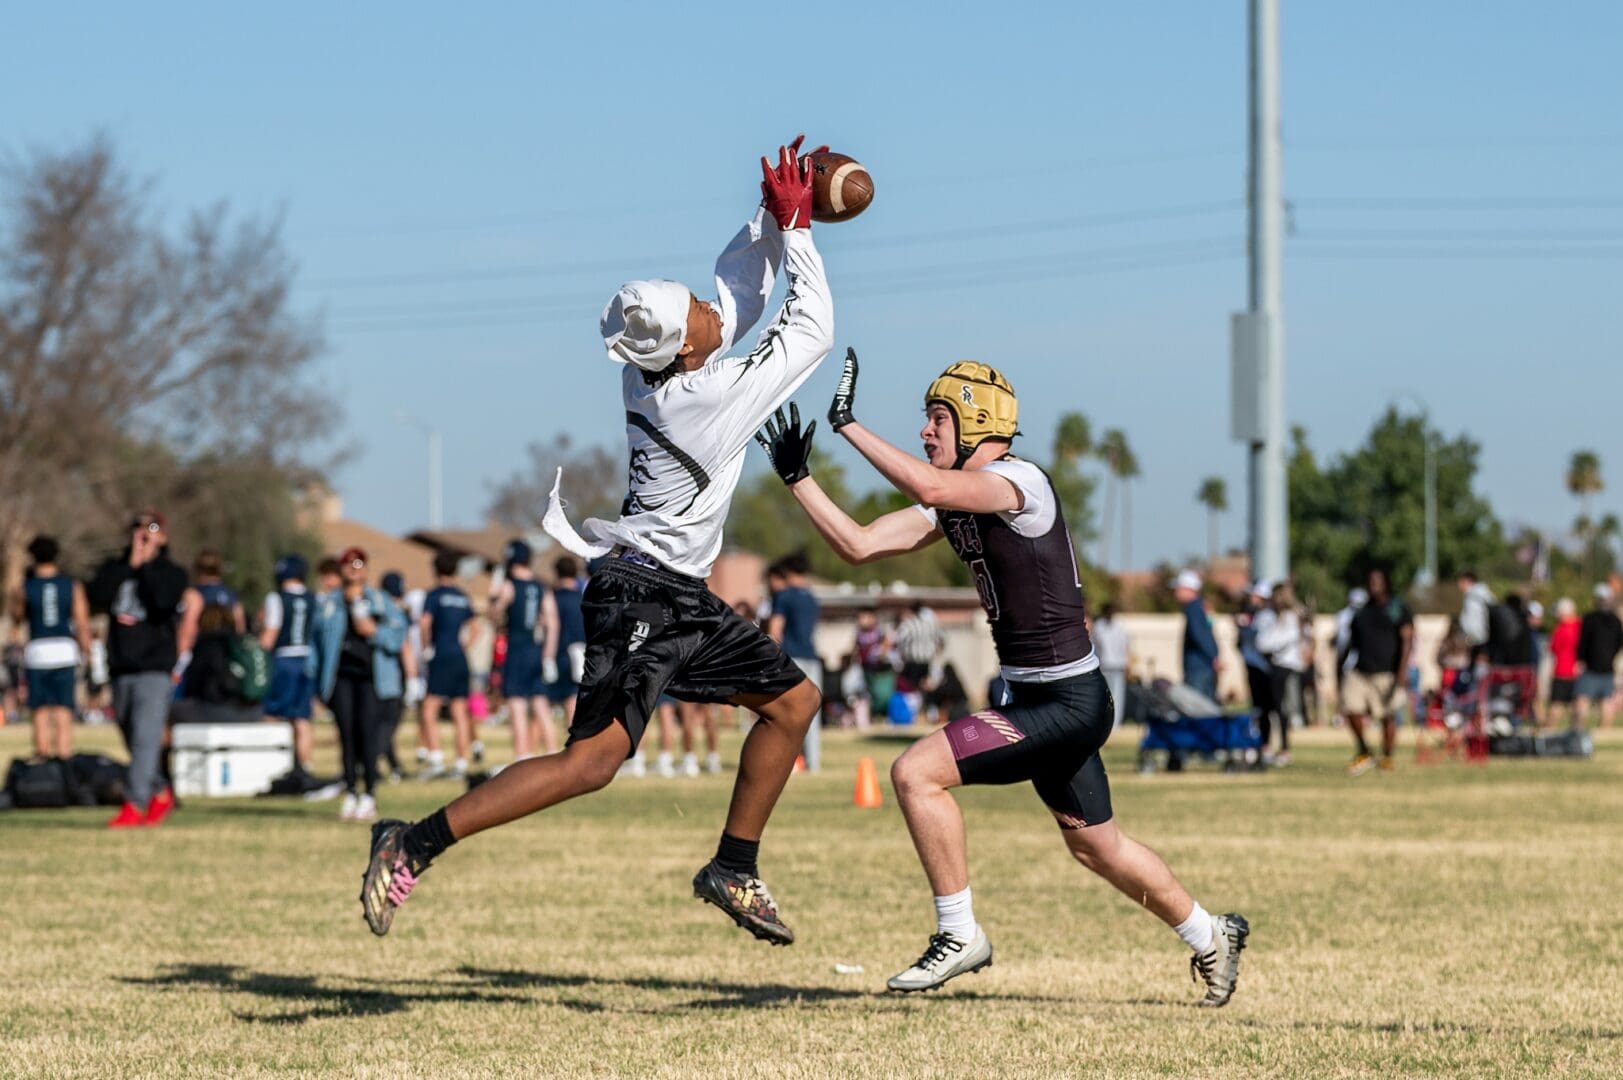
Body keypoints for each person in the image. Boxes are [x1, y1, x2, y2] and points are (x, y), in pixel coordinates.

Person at [359, 139, 832, 947]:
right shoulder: (706, 395)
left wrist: (770, 210)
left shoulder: (660, 371)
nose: (713, 309)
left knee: (794, 704)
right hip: (641, 594)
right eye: (699, 312)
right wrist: (800, 232)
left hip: (675, 590)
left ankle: (733, 867)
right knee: (589, 765)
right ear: (688, 347)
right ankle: (413, 840)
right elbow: (808, 331)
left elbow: (737, 295)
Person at [755, 354, 1247, 1003]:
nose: (926, 433)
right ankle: (1210, 932)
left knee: (913, 773)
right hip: (1043, 697)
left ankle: (959, 935)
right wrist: (798, 479)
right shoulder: (959, 500)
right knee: (1097, 847)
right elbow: (860, 543)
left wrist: (848, 425)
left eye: (936, 419)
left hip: (1067, 699)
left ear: (977, 421)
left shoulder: (1017, 481)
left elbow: (933, 489)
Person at [86, 510, 189, 828]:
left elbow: (161, 602)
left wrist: (145, 565)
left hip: (154, 666)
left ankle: (135, 802)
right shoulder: (115, 569)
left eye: (153, 530)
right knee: (131, 736)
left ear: (164, 536)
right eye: (139, 529)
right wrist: (130, 563)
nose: (145, 536)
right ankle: (159, 790)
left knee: (146, 737)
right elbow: (97, 598)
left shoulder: (172, 573)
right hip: (121, 666)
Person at [312, 547, 407, 821]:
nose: (354, 569)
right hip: (341, 677)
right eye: (348, 564)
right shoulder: (330, 603)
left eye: (359, 564)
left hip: (371, 678)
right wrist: (317, 683)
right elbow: (317, 643)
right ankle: (351, 790)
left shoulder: (380, 600)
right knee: (347, 735)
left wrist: (375, 631)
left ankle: (370, 793)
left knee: (369, 734)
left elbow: (397, 634)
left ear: (366, 568)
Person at [10, 536, 92, 760]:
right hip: (64, 650)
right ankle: (64, 756)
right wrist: (88, 653)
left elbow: (16, 618)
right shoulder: (71, 585)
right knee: (64, 707)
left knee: (40, 708)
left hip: (38, 651)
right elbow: (82, 623)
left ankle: (42, 755)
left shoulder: (25, 587)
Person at [489, 539, 562, 761]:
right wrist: (548, 657)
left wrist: (494, 595)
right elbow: (553, 623)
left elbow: (494, 614)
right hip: (536, 651)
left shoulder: (509, 585)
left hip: (516, 651)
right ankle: (553, 754)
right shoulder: (541, 587)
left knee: (517, 705)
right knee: (540, 704)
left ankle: (523, 756)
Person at [1340, 567, 1413, 775]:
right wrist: (1341, 667)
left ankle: (1387, 757)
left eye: (1377, 581)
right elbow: (1351, 643)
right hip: (1361, 671)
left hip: (1387, 671)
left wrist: (1402, 671)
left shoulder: (1397, 608)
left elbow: (1407, 639)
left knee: (1387, 715)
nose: (1373, 584)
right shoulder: (1362, 611)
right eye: (1370, 581)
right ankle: (1364, 751)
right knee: (1350, 708)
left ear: (1386, 583)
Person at [259, 554, 317, 772]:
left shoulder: (276, 598)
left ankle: (273, 765)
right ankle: (305, 766)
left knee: (272, 713)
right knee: (302, 718)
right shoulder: (314, 598)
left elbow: (270, 634)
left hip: (283, 660)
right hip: (308, 660)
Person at [421, 551, 476, 777]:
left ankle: (436, 759)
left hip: (441, 655)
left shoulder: (434, 596)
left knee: (428, 709)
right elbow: (476, 627)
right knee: (459, 710)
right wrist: (464, 646)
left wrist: (426, 648)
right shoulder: (463, 596)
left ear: (435, 570)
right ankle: (461, 762)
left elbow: (425, 623)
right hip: (459, 657)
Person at [767, 551, 822, 773]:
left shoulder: (784, 596)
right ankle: (813, 763)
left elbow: (775, 629)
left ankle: (789, 760)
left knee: (787, 713)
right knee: (812, 713)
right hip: (811, 656)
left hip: (791, 657)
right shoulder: (811, 598)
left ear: (788, 572)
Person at [171, 603, 262, 725]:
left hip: (213, 708)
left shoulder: (205, 646)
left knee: (165, 712)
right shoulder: (241, 644)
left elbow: (194, 685)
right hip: (250, 711)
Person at [1253, 581, 1304, 765]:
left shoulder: (1290, 617)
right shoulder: (1270, 616)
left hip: (1282, 665)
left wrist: (1268, 646)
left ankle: (1284, 748)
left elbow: (1275, 642)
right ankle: (1265, 746)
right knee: (1266, 707)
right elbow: (1261, 641)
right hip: (1269, 665)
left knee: (1279, 706)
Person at [176, 549, 245, 673]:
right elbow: (240, 628)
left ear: (198, 569)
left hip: (199, 656)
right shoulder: (231, 596)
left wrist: (180, 659)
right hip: (225, 657)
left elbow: (188, 628)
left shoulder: (194, 594)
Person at [377, 572, 417, 781]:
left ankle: (394, 766)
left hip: (375, 675)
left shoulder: (374, 609)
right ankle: (371, 761)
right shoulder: (398, 614)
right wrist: (412, 676)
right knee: (388, 723)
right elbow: (405, 646)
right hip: (394, 676)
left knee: (382, 723)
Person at [546, 555, 588, 725]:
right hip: (582, 653)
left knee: (545, 701)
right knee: (574, 699)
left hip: (559, 653)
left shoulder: (553, 598)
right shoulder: (583, 598)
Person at [1575, 584, 1623, 730]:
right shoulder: (1615, 621)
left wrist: (1581, 660)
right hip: (1608, 667)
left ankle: (1578, 732)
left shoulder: (1590, 619)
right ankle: (1604, 733)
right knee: (1606, 702)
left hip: (1591, 667)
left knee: (1582, 700)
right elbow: (1619, 643)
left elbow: (1583, 642)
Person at [1175, 569, 1221, 700]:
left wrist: (1213, 657)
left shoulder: (1193, 608)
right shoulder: (1200, 606)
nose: (1176, 592)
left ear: (1189, 589)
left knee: (1198, 711)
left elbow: (1199, 635)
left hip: (1198, 668)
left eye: (1179, 588)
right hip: (1204, 666)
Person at [1235, 584, 1273, 742]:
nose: (1251, 599)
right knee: (1257, 707)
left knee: (1264, 707)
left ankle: (1265, 743)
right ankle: (1259, 741)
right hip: (1253, 664)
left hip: (1262, 667)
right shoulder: (1254, 614)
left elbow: (1262, 641)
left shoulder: (1267, 616)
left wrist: (1244, 627)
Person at [1091, 603, 1130, 729]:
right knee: (1113, 695)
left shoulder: (1104, 626)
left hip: (1111, 664)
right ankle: (1113, 723)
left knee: (1112, 695)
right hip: (1110, 664)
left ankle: (1113, 723)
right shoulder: (1109, 626)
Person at [894, 601, 944, 694]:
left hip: (913, 663)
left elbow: (897, 638)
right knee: (924, 690)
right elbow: (941, 640)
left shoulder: (909, 624)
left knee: (911, 690)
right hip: (927, 662)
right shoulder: (930, 624)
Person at [1547, 598, 1581, 729]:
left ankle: (1549, 731)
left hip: (1561, 671)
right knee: (1575, 705)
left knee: (1557, 704)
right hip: (1577, 671)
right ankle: (1575, 732)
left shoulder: (1560, 629)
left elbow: (1553, 648)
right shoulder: (1581, 626)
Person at [1456, 571, 1494, 662]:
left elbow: (1473, 622)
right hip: (1483, 640)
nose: (1458, 585)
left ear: (1467, 581)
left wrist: (1470, 639)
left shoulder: (1473, 597)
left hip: (1479, 642)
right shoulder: (1483, 594)